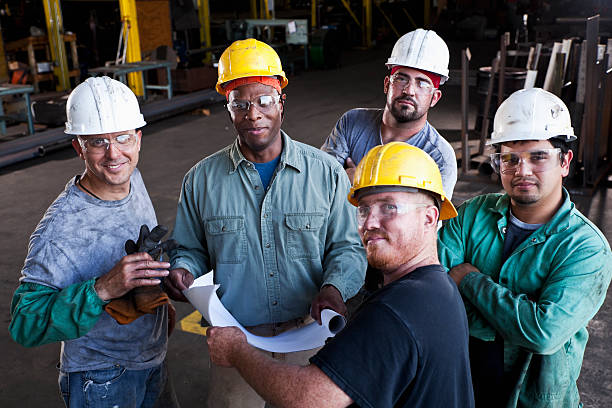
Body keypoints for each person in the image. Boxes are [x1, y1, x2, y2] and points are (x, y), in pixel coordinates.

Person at [163, 38, 366, 408]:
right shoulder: (200, 180)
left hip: (308, 337)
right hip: (237, 341)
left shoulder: (326, 174)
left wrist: (335, 288)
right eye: (239, 104)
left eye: (264, 101)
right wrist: (183, 270)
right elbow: (189, 249)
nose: (252, 114)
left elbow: (347, 247)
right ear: (228, 109)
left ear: (281, 103)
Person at [205, 142, 474, 408]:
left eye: (389, 207)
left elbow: (309, 398)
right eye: (364, 209)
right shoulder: (438, 289)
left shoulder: (397, 309)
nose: (369, 222)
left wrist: (236, 350)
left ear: (429, 218)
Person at [438, 88, 612, 407]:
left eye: (538, 157)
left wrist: (470, 281)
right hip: (462, 387)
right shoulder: (470, 216)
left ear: (565, 162)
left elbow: (543, 333)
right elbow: (434, 287)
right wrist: (514, 314)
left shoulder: (586, 248)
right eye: (510, 158)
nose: (522, 170)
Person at [9, 76, 173, 407]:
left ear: (138, 139)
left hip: (152, 359)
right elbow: (24, 323)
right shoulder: (60, 229)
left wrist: (160, 293)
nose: (114, 154)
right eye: (98, 142)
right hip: (102, 377)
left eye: (123, 138)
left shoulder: (132, 179)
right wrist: (102, 289)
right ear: (78, 147)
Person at [321, 28, 457, 199]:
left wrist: (360, 181)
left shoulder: (439, 158)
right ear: (387, 84)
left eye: (422, 83)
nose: (409, 90)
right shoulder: (352, 122)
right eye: (401, 78)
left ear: (435, 97)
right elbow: (321, 185)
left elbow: (427, 222)